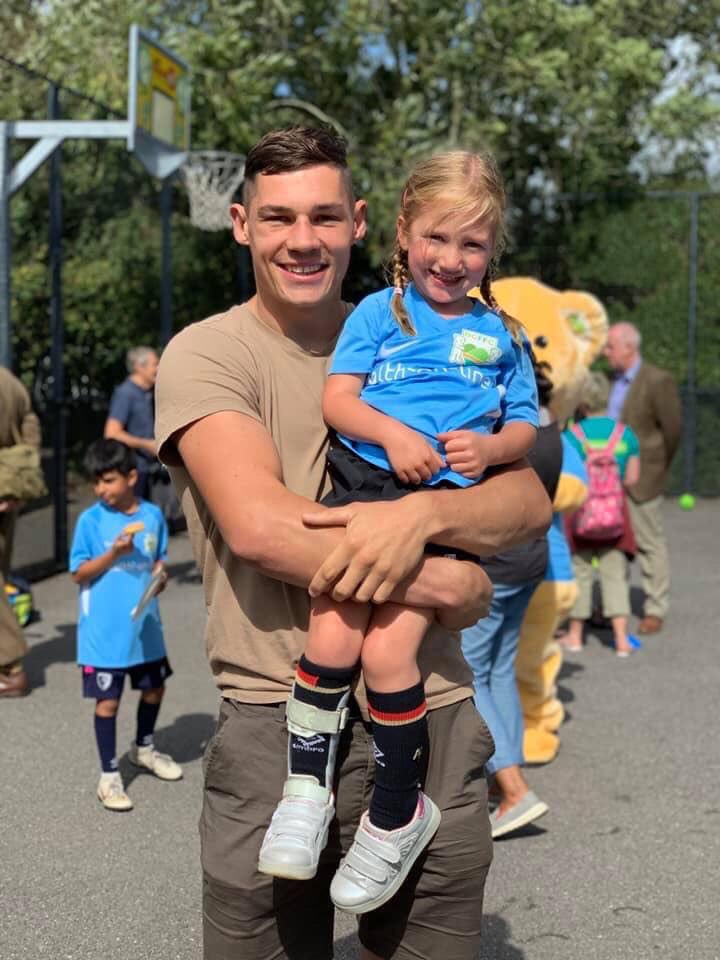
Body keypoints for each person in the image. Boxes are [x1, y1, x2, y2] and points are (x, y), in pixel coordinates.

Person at [155, 126, 551, 960]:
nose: (303, 240)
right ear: (240, 223)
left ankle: (404, 808)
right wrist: (448, 585)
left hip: (431, 711)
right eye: (278, 219)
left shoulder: (446, 334)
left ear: (363, 223)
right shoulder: (209, 353)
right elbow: (263, 530)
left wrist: (428, 519)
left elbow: (526, 501)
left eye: (325, 217)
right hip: (275, 713)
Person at [257, 150, 538, 910]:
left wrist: (492, 449)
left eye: (472, 245)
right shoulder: (382, 313)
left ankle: (396, 811)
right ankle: (306, 793)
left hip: (446, 504)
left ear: (492, 252)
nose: (451, 259)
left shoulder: (502, 332)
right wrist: (394, 435)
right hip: (367, 484)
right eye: (437, 239)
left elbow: (526, 428)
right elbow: (340, 403)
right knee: (334, 633)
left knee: (389, 650)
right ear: (404, 231)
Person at [461, 355, 557, 839]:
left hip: (497, 565)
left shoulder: (499, 434)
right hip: (532, 562)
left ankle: (513, 788)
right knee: (499, 669)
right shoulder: (549, 427)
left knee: (471, 674)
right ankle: (510, 776)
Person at [69, 439, 182, 811]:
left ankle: (144, 748)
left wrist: (160, 576)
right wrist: (113, 553)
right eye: (97, 482)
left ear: (131, 477)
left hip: (145, 628)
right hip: (103, 632)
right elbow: (78, 572)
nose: (101, 489)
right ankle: (108, 775)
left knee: (154, 690)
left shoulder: (151, 516)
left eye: (109, 480)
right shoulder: (91, 520)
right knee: (107, 702)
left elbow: (158, 562)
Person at [605, 322, 682, 634]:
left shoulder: (657, 380)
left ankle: (655, 608)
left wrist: (656, 466)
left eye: (610, 347)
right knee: (612, 543)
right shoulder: (611, 381)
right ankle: (616, 607)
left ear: (628, 347)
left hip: (643, 476)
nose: (605, 352)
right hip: (607, 478)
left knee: (649, 543)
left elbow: (673, 430)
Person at [563, 373, 640, 657]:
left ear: (581, 402)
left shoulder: (572, 436)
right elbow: (632, 478)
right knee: (615, 574)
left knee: (581, 572)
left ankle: (574, 636)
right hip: (615, 517)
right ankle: (620, 639)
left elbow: (566, 479)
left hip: (580, 514)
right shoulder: (625, 435)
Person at [0, 366, 42, 698]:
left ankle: (10, 666)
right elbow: (30, 425)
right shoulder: (9, 381)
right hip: (7, 492)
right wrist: (15, 482)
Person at [105, 346, 159, 499]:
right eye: (155, 364)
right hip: (135, 470)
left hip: (151, 469)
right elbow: (112, 433)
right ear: (138, 366)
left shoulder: (149, 392)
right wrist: (147, 445)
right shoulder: (126, 394)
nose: (159, 368)